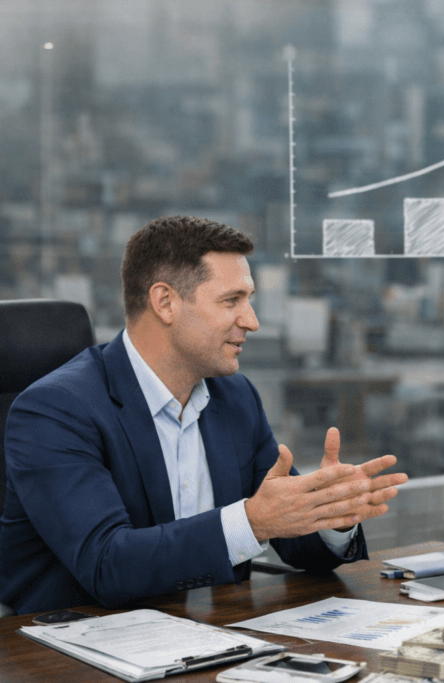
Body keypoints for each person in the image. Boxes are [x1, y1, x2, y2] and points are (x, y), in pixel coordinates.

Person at [0, 216, 408, 615]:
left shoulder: (234, 396)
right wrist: (251, 522)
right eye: (232, 300)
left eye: (249, 300)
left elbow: (285, 529)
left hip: (210, 635)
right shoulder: (54, 411)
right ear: (165, 302)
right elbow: (109, 565)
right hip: (69, 651)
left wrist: (330, 517)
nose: (252, 321)